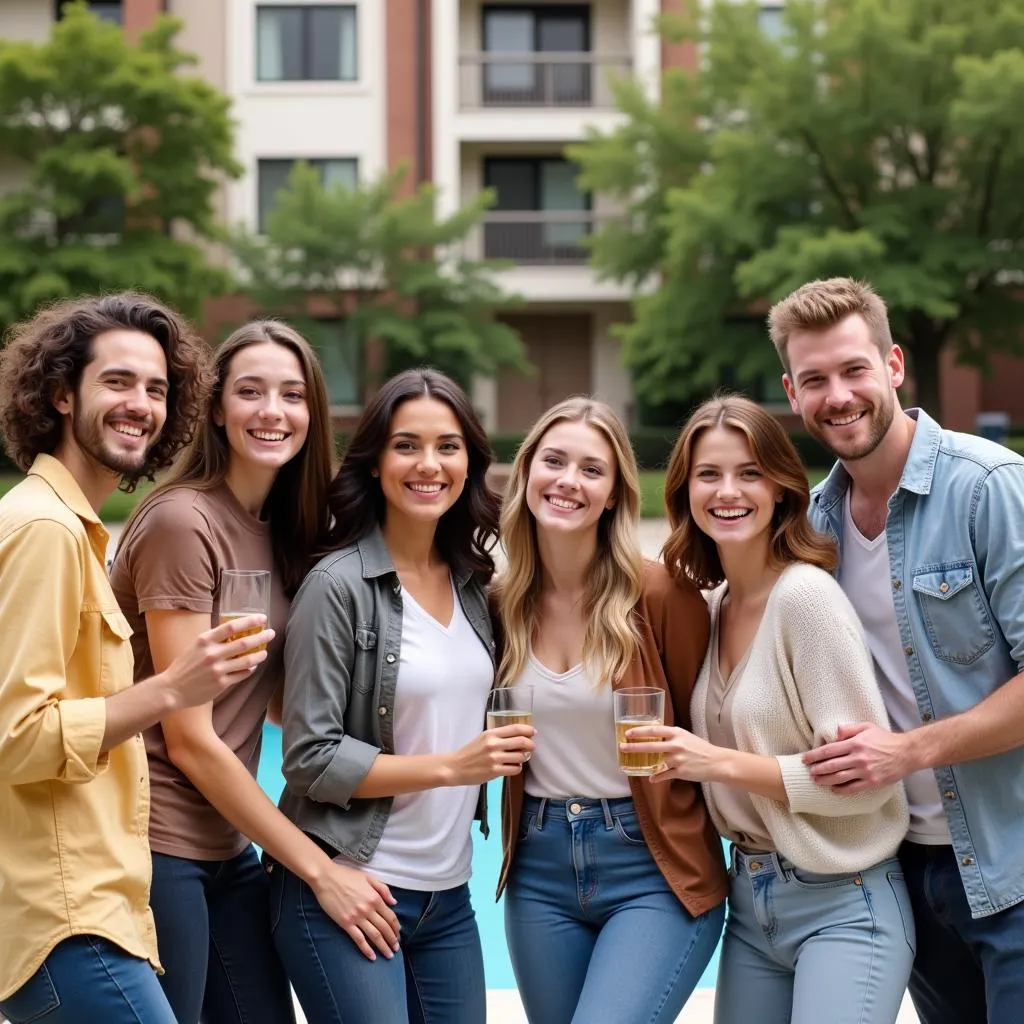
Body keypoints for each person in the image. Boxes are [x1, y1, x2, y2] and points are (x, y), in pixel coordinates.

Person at [109, 321, 400, 1024]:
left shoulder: (284, 527)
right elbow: (189, 736)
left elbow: (272, 706)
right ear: (215, 408)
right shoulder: (185, 523)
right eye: (250, 392)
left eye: (293, 394)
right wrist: (319, 870)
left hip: (228, 844)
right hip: (158, 842)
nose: (273, 411)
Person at [0, 293, 273, 1024]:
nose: (141, 405)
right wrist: (171, 689)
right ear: (60, 394)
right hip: (67, 918)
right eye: (117, 382)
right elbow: (19, 739)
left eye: (157, 388)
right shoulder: (45, 533)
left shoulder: (78, 532)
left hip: (104, 906)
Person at [767, 277, 1024, 1024]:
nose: (838, 396)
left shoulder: (989, 489)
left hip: (1011, 866)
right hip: (905, 875)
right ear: (792, 390)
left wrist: (906, 752)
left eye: (853, 369)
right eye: (814, 380)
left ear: (895, 366)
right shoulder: (813, 527)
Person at [620, 394, 912, 1023]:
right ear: (685, 492)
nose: (729, 491)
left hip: (844, 901)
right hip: (752, 903)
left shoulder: (805, 598)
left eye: (749, 473)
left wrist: (715, 763)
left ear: (781, 488)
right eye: (709, 474)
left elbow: (865, 785)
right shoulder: (716, 603)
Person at [271, 367, 534, 1024]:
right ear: (377, 461)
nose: (429, 464)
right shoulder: (337, 587)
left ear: (471, 460)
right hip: (348, 885)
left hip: (447, 899)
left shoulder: (477, 584)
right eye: (406, 445)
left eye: (448, 446)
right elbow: (308, 757)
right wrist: (452, 766)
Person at [494, 397, 728, 1024]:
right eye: (554, 461)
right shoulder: (500, 603)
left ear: (614, 495)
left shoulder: (660, 594)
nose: (569, 481)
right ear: (526, 475)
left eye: (592, 470)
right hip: (538, 870)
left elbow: (704, 718)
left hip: (651, 865)